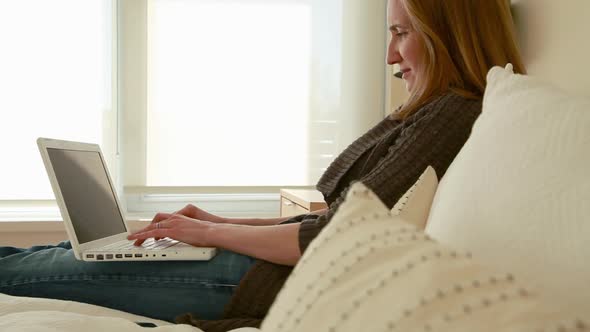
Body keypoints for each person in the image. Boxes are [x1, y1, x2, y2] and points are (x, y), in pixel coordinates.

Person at [0, 0, 526, 331]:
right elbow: (331, 223)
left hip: (249, 283)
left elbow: (328, 241)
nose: (390, 56)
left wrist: (211, 231)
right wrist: (216, 225)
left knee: (18, 271)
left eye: (401, 33)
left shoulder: (455, 112)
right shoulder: (434, 112)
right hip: (252, 270)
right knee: (42, 254)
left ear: (448, 31)